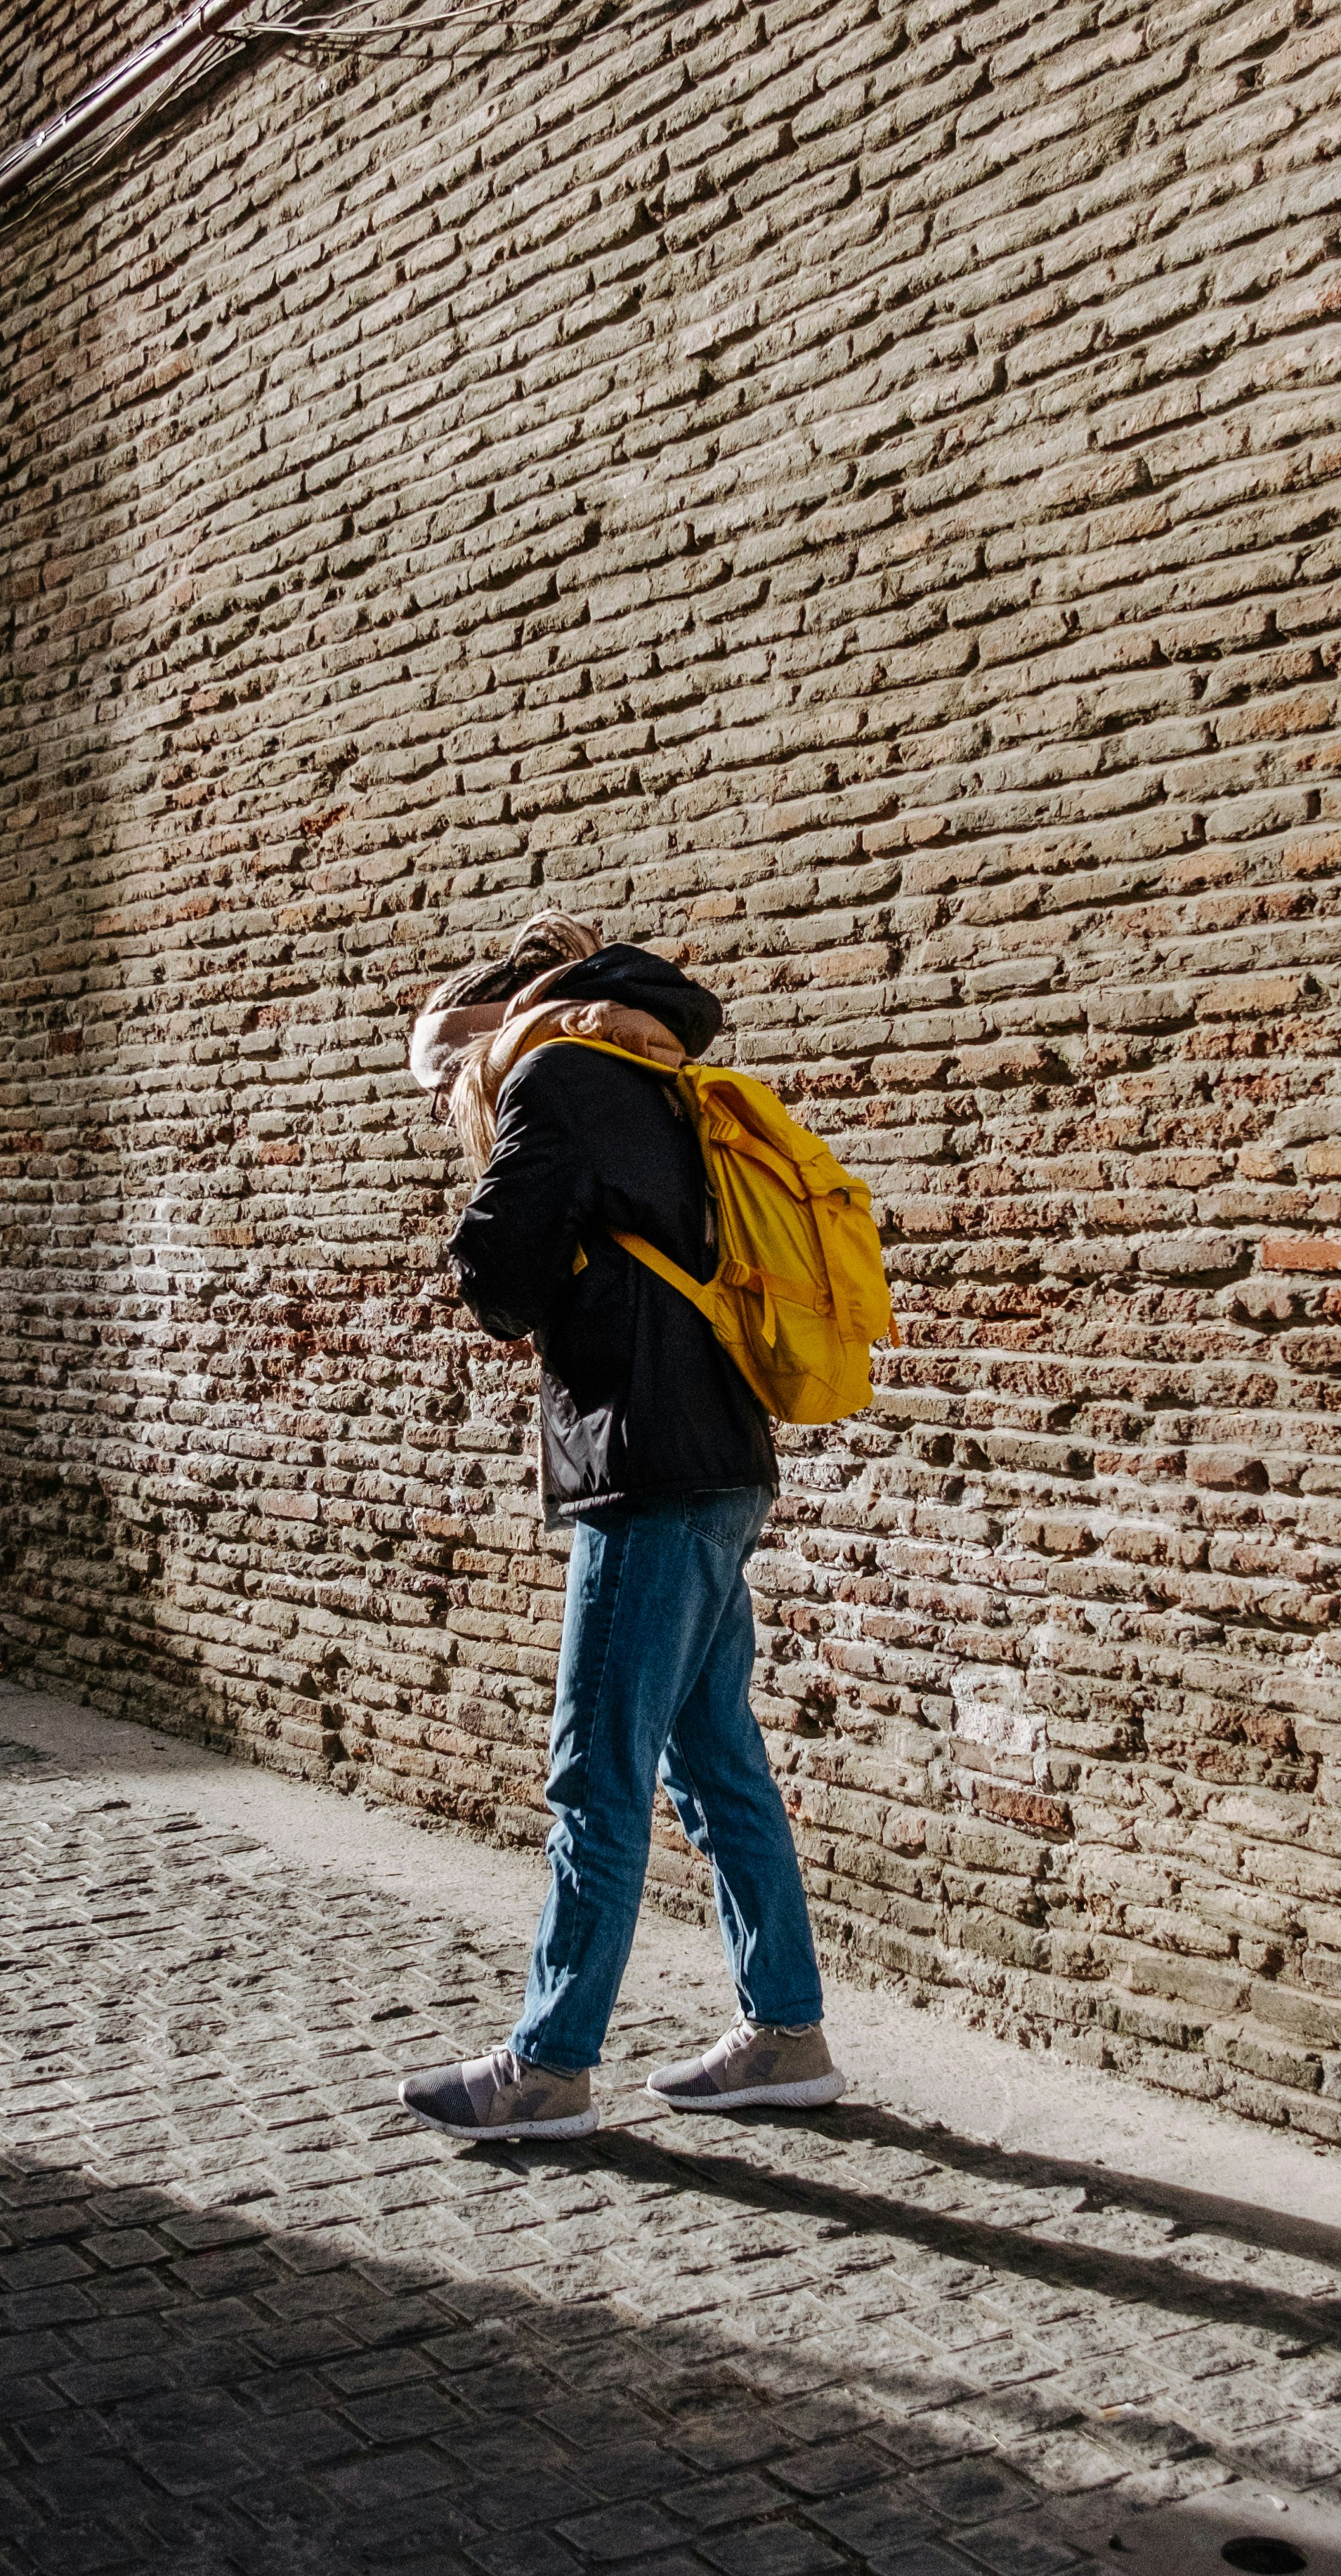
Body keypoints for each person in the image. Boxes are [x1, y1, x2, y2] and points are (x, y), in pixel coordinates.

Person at [395, 909, 847, 2139]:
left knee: (596, 1767)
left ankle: (548, 2062)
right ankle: (786, 2031)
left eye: (448, 1076)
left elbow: (498, 1273)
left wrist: (499, 1191)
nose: (455, 1098)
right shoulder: (658, 1068)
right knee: (713, 1757)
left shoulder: (554, 1072)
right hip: (721, 1453)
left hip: (646, 1465)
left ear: (495, 1019)